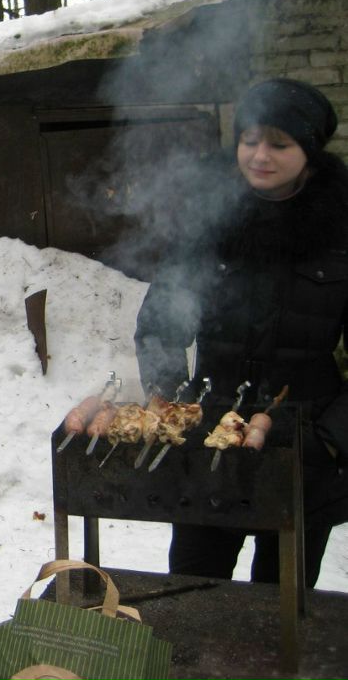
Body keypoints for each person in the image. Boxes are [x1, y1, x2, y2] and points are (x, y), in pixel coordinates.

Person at [134, 77, 348, 587]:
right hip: (209, 435)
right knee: (191, 588)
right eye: (250, 140)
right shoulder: (208, 220)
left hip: (303, 445)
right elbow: (160, 324)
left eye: (279, 144)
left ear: (310, 151)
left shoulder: (341, 228)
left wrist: (327, 440)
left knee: (282, 598)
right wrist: (170, 399)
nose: (259, 156)